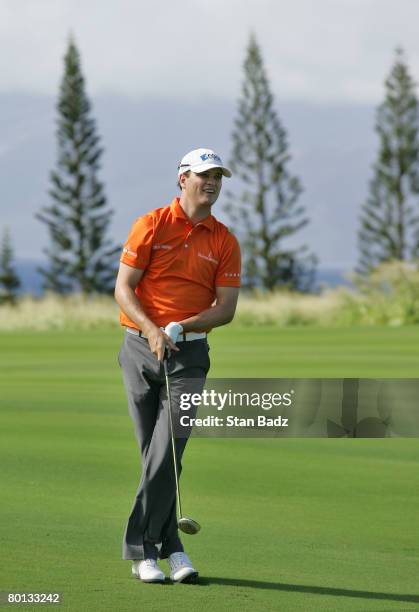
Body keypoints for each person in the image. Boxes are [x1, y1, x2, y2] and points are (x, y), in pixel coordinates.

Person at [114, 148, 241, 583]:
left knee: (169, 451)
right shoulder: (150, 225)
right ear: (182, 178)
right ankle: (173, 546)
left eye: (218, 178)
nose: (212, 183)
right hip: (138, 350)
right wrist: (152, 329)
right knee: (155, 456)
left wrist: (180, 328)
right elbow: (124, 288)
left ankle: (143, 551)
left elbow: (225, 309)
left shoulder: (224, 240)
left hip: (188, 356)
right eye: (204, 175)